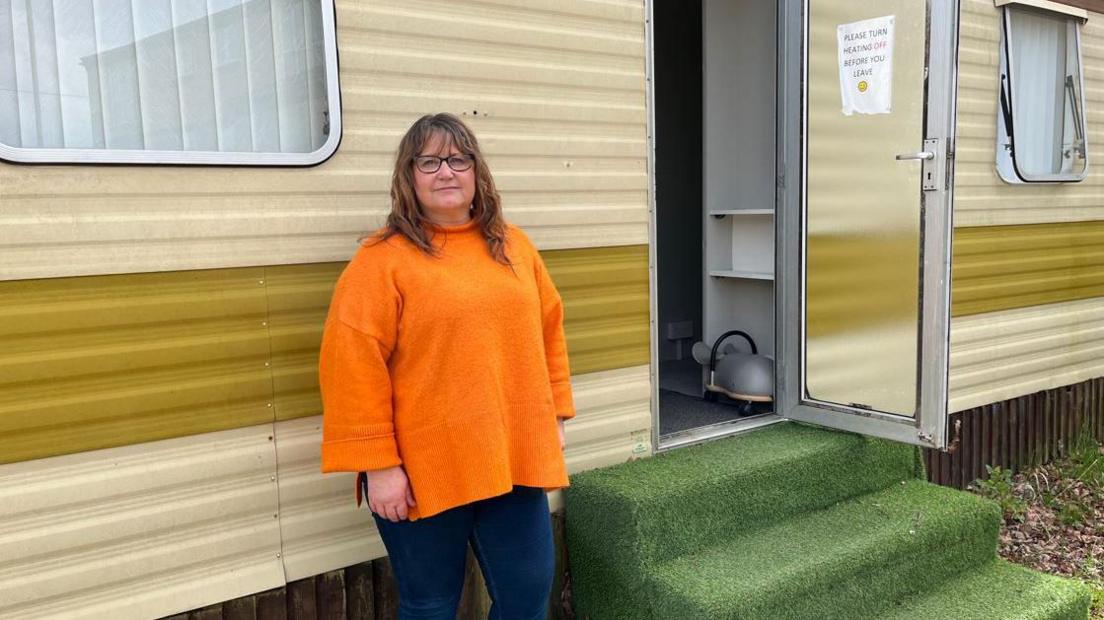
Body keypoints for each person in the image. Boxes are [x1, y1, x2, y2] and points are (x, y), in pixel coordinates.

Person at [318, 113, 575, 620]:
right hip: (422, 467)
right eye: (429, 161)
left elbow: (549, 332)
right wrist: (379, 466)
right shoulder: (380, 261)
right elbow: (351, 365)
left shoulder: (515, 247)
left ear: (477, 172)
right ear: (408, 176)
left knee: (526, 598)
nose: (446, 171)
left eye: (458, 159)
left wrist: (555, 417)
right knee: (430, 605)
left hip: (512, 458)